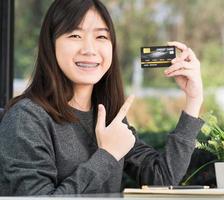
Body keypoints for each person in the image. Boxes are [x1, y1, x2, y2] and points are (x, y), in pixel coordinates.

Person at [0, 0, 204, 195]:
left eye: (101, 37)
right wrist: (107, 155)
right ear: (50, 44)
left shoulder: (106, 115)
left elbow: (162, 178)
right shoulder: (26, 118)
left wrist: (193, 100)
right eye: (74, 36)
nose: (89, 49)